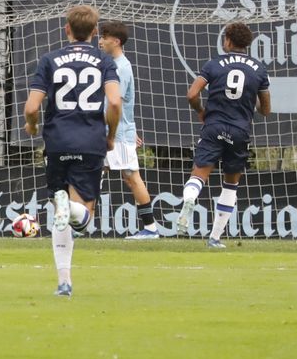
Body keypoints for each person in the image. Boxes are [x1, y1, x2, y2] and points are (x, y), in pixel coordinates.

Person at [24, 5, 121, 296]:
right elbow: (115, 103)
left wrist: (32, 126)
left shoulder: (50, 59)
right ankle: (72, 208)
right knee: (83, 219)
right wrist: (111, 136)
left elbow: (31, 107)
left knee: (61, 216)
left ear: (66, 29)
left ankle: (64, 282)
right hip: (90, 141)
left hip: (57, 141)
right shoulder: (104, 61)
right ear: (95, 31)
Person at [176, 21, 272, 249]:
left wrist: (201, 111)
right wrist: (251, 98)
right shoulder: (258, 69)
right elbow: (266, 110)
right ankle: (215, 238)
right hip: (239, 131)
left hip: (214, 126)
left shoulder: (214, 64)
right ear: (247, 43)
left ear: (227, 40)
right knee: (230, 186)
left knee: (198, 176)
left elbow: (191, 94)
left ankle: (189, 198)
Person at [97, 21, 160, 240]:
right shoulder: (109, 64)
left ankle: (151, 229)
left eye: (104, 37)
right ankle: (78, 224)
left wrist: (120, 131)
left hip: (116, 134)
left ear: (116, 41)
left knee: (132, 176)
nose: (100, 40)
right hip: (111, 130)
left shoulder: (120, 67)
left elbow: (116, 103)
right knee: (95, 172)